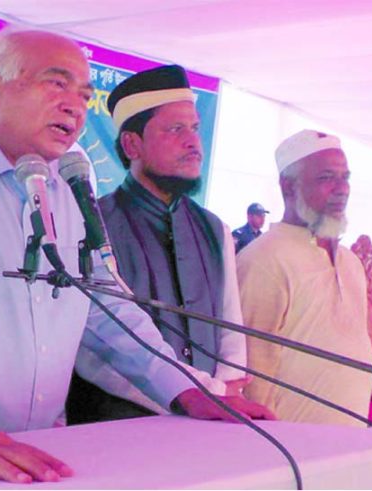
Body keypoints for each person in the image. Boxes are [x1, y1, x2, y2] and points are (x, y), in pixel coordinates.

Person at [0, 27, 272, 486]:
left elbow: (108, 311)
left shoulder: (65, 187)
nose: (75, 106)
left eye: (84, 95)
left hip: (30, 457)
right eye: (56, 83)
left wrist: (188, 389)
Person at [68, 64, 256, 422]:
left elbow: (231, 329)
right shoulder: (92, 225)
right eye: (175, 129)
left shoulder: (214, 228)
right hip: (119, 426)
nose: (193, 142)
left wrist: (225, 389)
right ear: (131, 143)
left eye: (195, 129)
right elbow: (94, 350)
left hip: (210, 420)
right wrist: (188, 399)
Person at [237, 129, 372, 426]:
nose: (341, 189)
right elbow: (252, 369)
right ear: (288, 187)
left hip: (352, 439)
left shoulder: (351, 262)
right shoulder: (263, 258)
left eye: (345, 178)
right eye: (326, 178)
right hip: (289, 448)